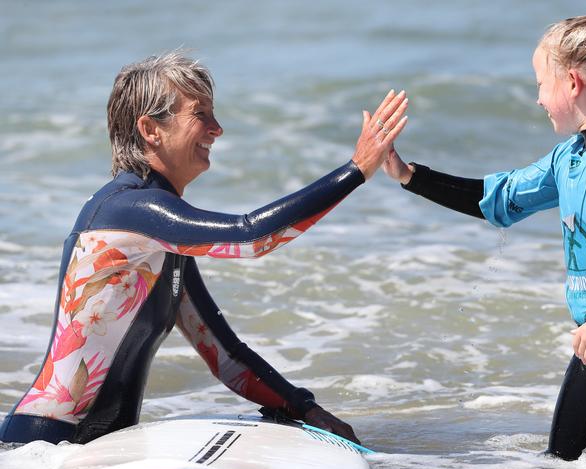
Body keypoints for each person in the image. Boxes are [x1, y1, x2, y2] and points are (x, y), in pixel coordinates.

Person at [0, 51, 408, 445]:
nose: (217, 128)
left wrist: (305, 409)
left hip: (94, 450)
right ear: (150, 129)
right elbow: (251, 238)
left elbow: (225, 357)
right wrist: (355, 170)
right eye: (200, 114)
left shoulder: (160, 240)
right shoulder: (127, 210)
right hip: (42, 448)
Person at [383, 1, 586, 461]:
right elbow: (498, 198)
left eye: (541, 84)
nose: (539, 99)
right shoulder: (569, 158)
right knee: (562, 468)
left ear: (572, 82)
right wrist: (409, 175)